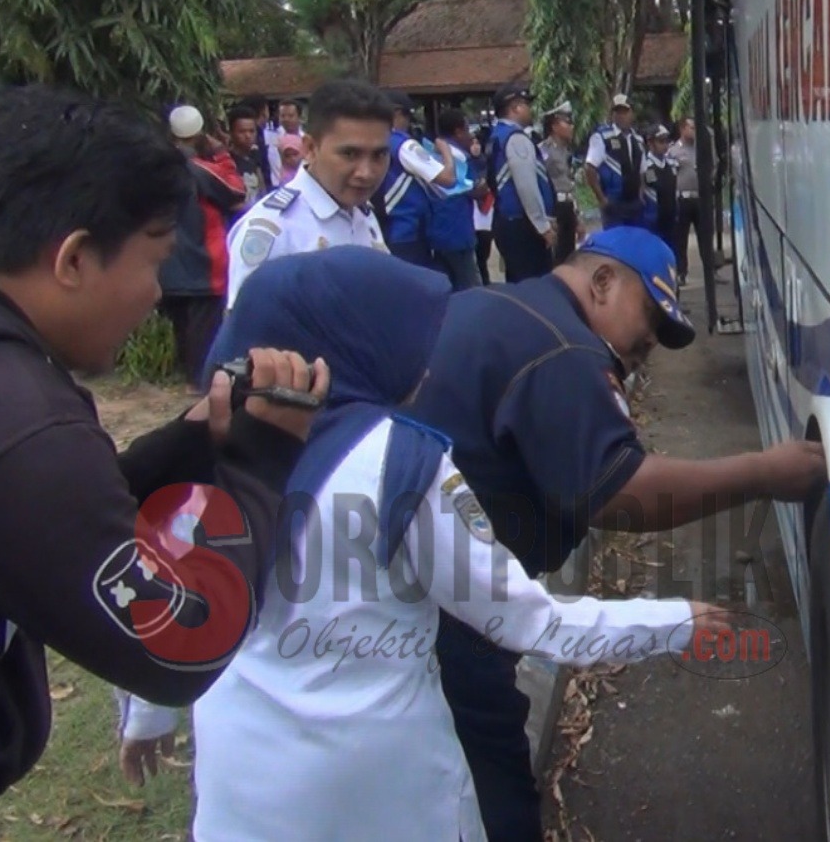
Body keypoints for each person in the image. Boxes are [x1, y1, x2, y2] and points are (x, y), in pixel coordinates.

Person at [183, 246, 727, 840]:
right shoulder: (399, 464)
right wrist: (674, 620)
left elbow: (174, 617)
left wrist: (147, 717)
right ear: (354, 342)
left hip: (240, 785)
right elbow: (527, 620)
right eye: (410, 338)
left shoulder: (211, 447)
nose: (428, 360)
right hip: (381, 785)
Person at [0, 83, 327, 842]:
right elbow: (177, 649)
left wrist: (187, 443)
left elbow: (31, 523)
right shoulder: (15, 419)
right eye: (154, 257)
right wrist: (260, 460)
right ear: (75, 258)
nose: (157, 294)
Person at [416, 226, 828, 840]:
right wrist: (765, 472)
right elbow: (620, 493)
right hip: (447, 616)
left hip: (416, 589)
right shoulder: (561, 347)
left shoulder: (500, 305)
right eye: (650, 320)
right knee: (494, 773)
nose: (647, 346)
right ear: (602, 281)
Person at [224, 79, 393, 309]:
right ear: (310, 148)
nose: (366, 172)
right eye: (350, 154)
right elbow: (249, 335)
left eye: (379, 155)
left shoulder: (363, 215)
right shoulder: (275, 230)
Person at [161, 105, 247, 393]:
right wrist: (222, 154)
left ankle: (187, 375)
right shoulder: (199, 169)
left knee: (183, 326)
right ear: (199, 133)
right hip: (201, 261)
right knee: (203, 326)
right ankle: (199, 381)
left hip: (169, 259)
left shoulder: (157, 165)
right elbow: (236, 191)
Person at [374, 90, 458, 267]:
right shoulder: (404, 144)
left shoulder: (377, 140)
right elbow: (448, 179)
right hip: (409, 230)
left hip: (386, 228)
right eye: (408, 115)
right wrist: (446, 152)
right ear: (397, 113)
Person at [485, 85, 556, 282]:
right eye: (526, 105)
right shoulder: (516, 139)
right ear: (515, 107)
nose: (530, 110)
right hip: (523, 225)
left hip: (507, 220)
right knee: (534, 284)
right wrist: (542, 226)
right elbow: (526, 186)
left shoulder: (496, 136)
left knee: (518, 283)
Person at [427, 108, 484, 288]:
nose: (469, 135)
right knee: (469, 286)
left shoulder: (430, 152)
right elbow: (477, 188)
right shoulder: (459, 156)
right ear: (458, 131)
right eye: (467, 130)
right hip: (458, 230)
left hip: (437, 230)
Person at [584, 93, 646, 229]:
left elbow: (642, 171)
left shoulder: (638, 140)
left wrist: (641, 194)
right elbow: (590, 168)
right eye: (617, 111)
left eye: (625, 111)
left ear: (632, 114)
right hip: (613, 202)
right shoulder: (602, 137)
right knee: (614, 245)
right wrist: (602, 198)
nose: (621, 116)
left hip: (634, 203)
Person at [538, 102, 581, 265]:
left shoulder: (566, 151)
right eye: (567, 122)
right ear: (555, 126)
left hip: (568, 206)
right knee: (556, 258)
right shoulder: (543, 150)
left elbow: (571, 184)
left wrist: (578, 217)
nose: (571, 126)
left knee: (569, 257)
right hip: (555, 208)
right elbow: (541, 182)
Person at [667, 117, 703, 286]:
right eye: (691, 127)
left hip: (699, 198)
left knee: (704, 236)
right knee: (681, 238)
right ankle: (681, 271)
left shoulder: (700, 149)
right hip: (683, 199)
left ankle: (711, 270)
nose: (694, 131)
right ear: (682, 129)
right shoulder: (674, 151)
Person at [641, 124, 679, 257]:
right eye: (661, 141)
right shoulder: (645, 166)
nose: (665, 145)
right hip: (653, 217)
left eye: (666, 141)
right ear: (650, 143)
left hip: (671, 215)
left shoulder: (672, 164)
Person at [224, 105, 270, 212]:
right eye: (242, 131)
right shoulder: (227, 163)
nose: (248, 136)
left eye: (251, 131)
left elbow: (262, 190)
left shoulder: (255, 156)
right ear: (231, 133)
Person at [472, 123, 496, 284]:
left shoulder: (488, 164)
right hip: (472, 217)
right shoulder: (465, 164)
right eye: (471, 143)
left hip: (487, 215)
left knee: (484, 254)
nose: (474, 147)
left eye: (477, 143)